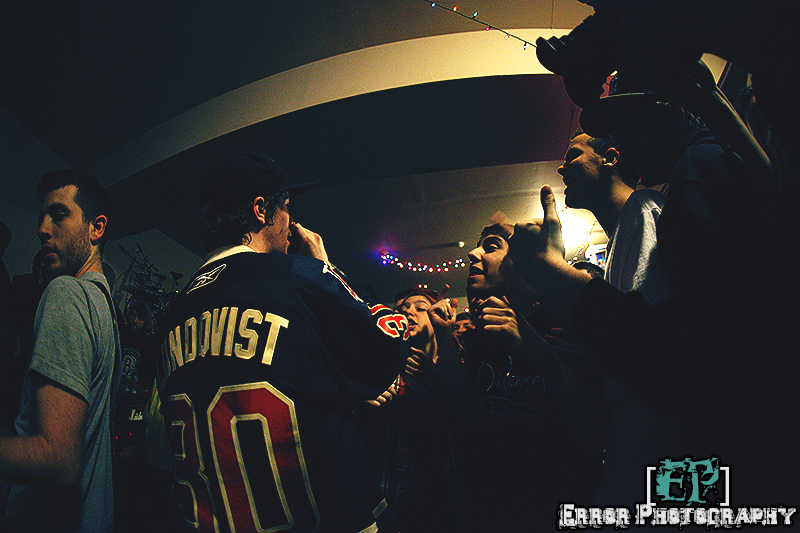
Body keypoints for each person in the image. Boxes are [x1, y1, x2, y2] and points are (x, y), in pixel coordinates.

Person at [508, 79, 798, 506]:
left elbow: (677, 359)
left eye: (628, 123)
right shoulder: (681, 183)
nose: (622, 139)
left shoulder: (687, 177)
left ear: (672, 111)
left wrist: (547, 270)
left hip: (674, 477)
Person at [153, 153, 408, 533]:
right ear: (261, 210)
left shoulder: (170, 314)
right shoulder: (297, 277)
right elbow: (384, 350)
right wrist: (326, 269)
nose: (291, 220)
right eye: (285, 206)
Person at [420, 224, 607, 530]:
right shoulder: (486, 337)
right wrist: (442, 335)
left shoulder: (562, 323)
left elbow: (598, 433)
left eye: (491, 246)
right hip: (507, 510)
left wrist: (536, 348)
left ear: (522, 259)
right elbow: (474, 423)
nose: (472, 254)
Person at [0, 169, 119, 533]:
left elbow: (58, 459)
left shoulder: (67, 294)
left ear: (96, 228)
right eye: (41, 218)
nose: (42, 229)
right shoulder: (104, 305)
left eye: (59, 215)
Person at [559, 129, 668, 303]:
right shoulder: (619, 238)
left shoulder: (642, 208)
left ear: (610, 158)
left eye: (573, 156)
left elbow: (645, 312)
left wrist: (549, 263)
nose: (561, 168)